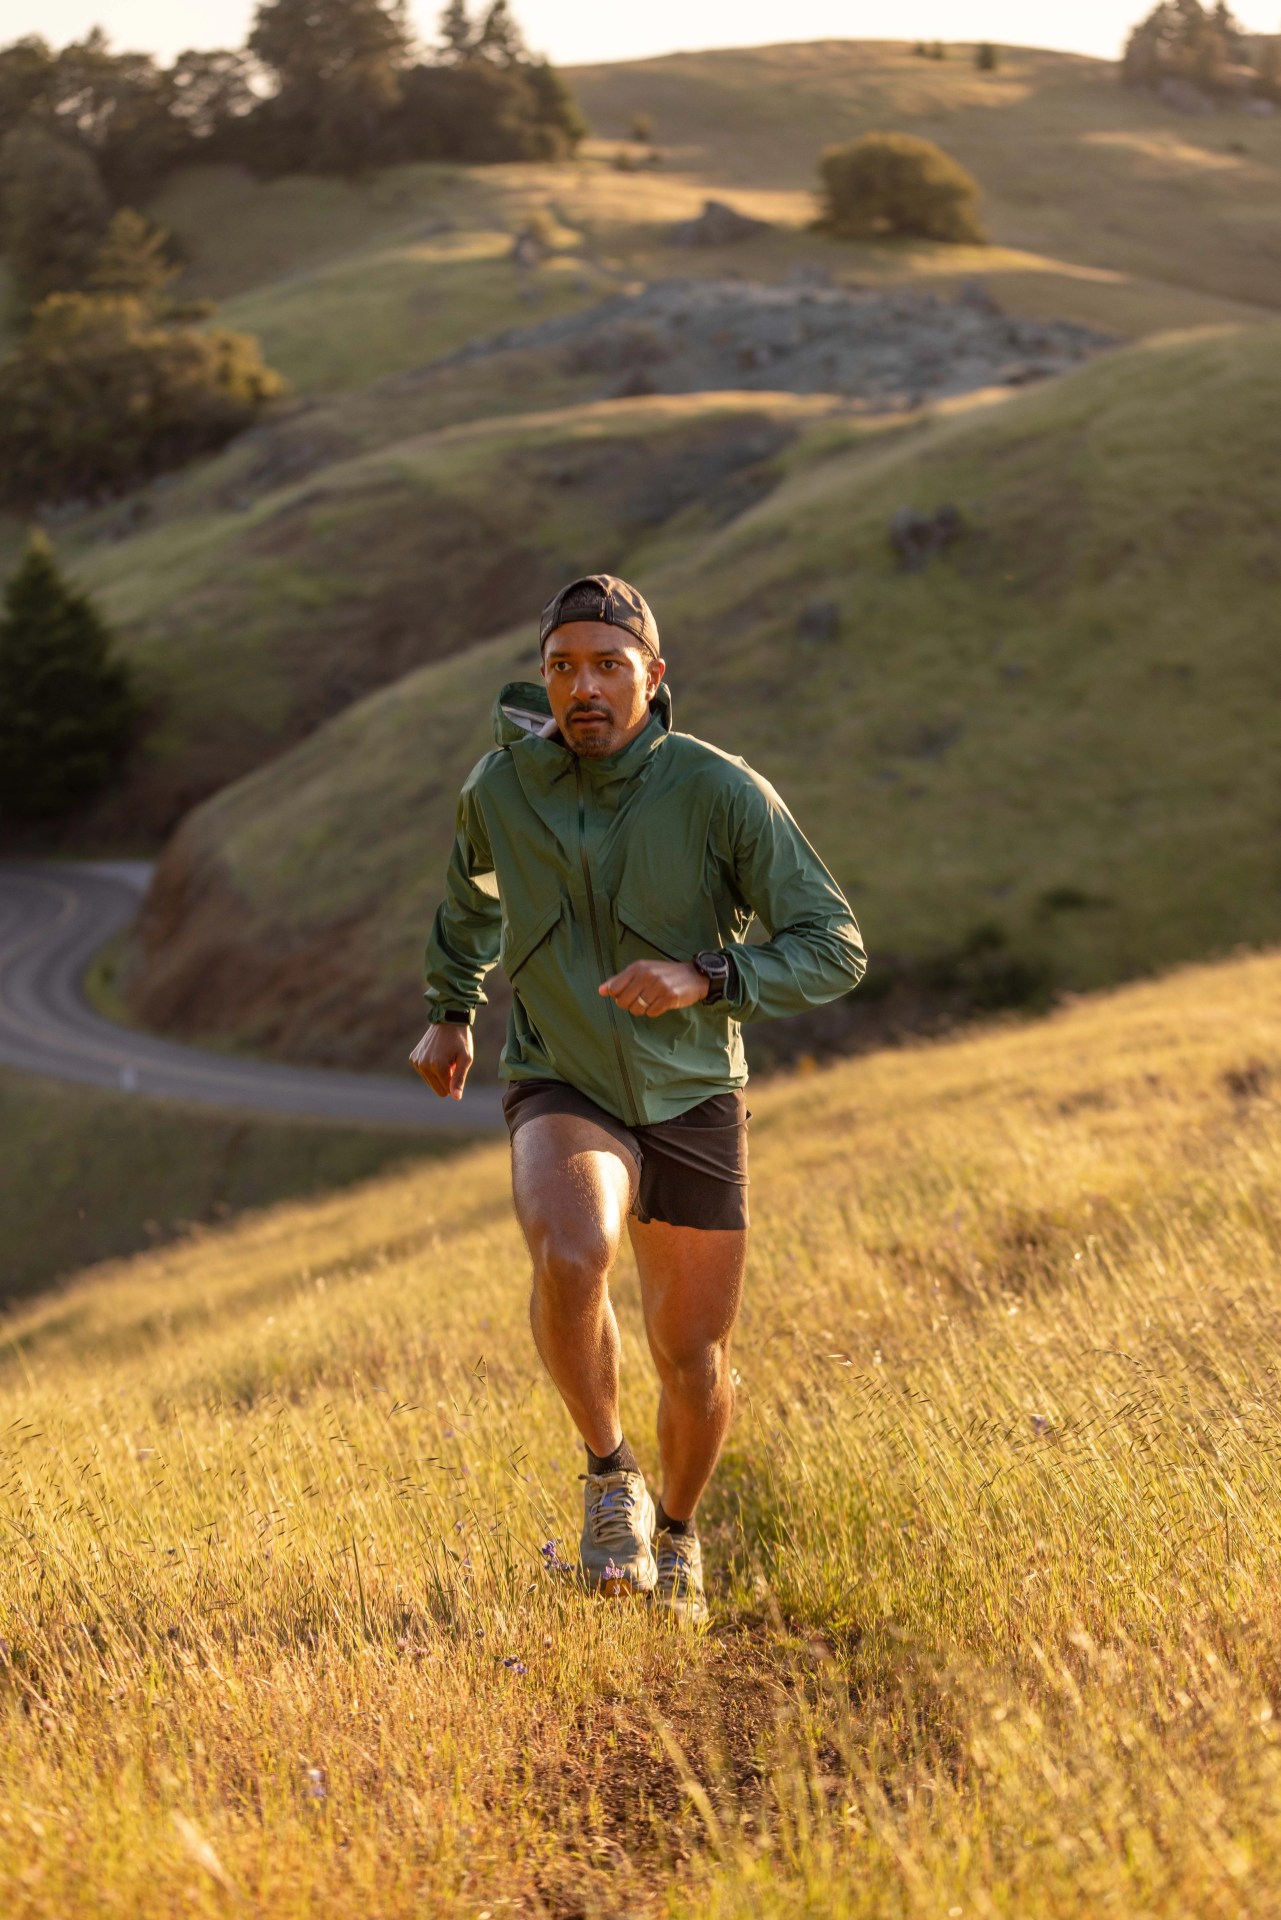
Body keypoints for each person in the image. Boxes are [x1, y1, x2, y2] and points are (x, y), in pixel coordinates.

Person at [410, 574, 865, 1623]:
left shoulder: (721, 791)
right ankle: (611, 1474)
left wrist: (707, 975)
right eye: (562, 667)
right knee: (572, 1253)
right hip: (561, 1072)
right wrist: (450, 1011)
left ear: (652, 677)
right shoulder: (500, 788)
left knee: (692, 1360)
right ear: (542, 678)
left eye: (608, 666)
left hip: (695, 1090)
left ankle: (680, 1533)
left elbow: (834, 945)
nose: (584, 687)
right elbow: (472, 901)